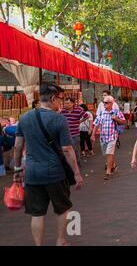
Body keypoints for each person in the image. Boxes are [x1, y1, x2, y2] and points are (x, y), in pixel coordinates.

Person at [13, 83, 83, 246]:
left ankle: (39, 244)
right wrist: (77, 173)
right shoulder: (59, 119)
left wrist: (17, 169)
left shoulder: (25, 117)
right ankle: (60, 240)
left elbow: (17, 146)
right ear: (52, 98)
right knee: (62, 208)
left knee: (37, 213)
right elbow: (67, 149)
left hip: (32, 174)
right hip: (54, 173)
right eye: (60, 99)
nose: (61, 103)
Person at [91, 95, 126, 180]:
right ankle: (113, 165)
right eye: (104, 102)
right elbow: (96, 124)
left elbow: (123, 121)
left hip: (112, 136)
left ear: (111, 103)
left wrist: (116, 118)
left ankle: (108, 172)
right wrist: (93, 134)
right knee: (106, 154)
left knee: (109, 153)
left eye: (106, 102)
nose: (104, 104)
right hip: (103, 137)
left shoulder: (116, 112)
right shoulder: (101, 113)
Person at [61, 97, 89, 167]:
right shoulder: (62, 111)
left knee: (75, 150)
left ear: (72, 104)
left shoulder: (78, 110)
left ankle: (77, 164)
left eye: (67, 103)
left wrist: (80, 121)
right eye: (65, 103)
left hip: (75, 134)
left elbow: (87, 116)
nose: (65, 105)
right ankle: (70, 165)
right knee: (67, 151)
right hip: (66, 135)